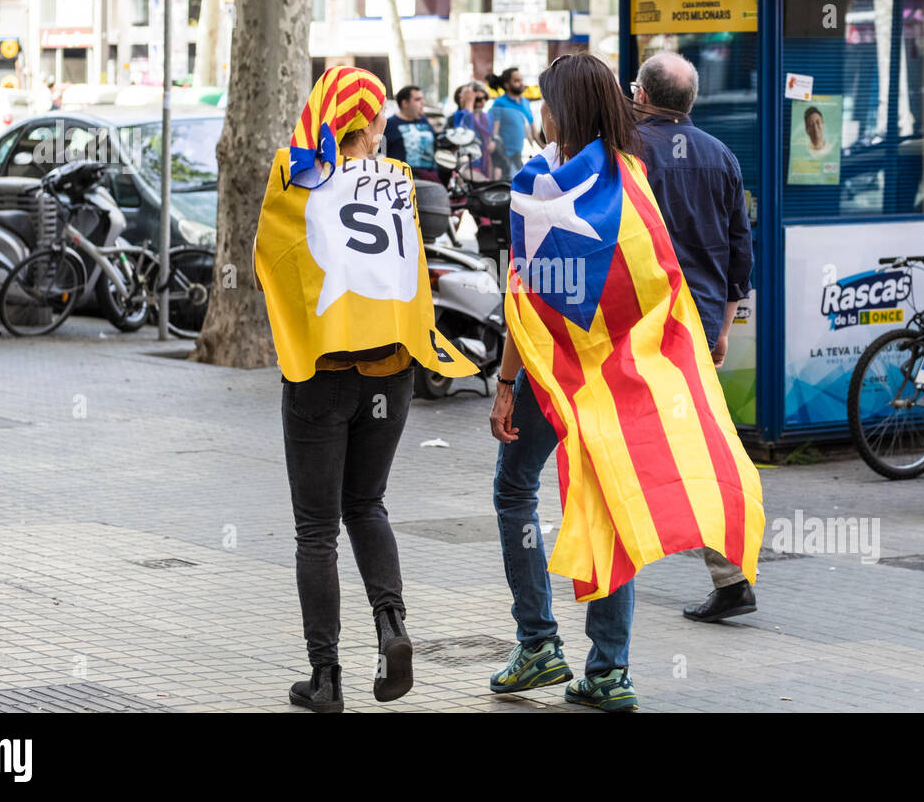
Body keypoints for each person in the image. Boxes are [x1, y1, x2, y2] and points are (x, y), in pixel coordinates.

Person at [488, 53, 765, 712]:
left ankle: (537, 644)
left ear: (562, 111)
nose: (540, 113)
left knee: (513, 489)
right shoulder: (632, 176)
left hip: (551, 372)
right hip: (625, 373)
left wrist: (505, 382)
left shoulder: (541, 186)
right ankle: (609, 668)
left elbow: (525, 295)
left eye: (546, 103)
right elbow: (659, 277)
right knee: (613, 496)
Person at [253, 65, 476, 713]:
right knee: (367, 506)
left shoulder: (292, 174)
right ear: (374, 124)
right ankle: (392, 625)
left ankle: (325, 679)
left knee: (316, 529)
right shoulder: (402, 181)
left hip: (322, 374)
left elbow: (272, 257)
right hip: (392, 372)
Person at [631, 52, 759, 622]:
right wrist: (724, 327)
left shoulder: (627, 154)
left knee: (639, 438)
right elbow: (739, 256)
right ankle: (728, 573)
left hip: (642, 322)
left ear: (641, 96)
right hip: (701, 323)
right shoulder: (721, 156)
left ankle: (614, 565)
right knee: (697, 442)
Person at [486, 67, 535, 177]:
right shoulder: (499, 103)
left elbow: (533, 132)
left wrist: (544, 147)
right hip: (507, 156)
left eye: (521, 80)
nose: (521, 83)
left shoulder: (526, 102)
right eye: (517, 81)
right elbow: (494, 132)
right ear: (507, 84)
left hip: (526, 154)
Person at [384, 84, 438, 182]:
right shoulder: (389, 124)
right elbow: (380, 153)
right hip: (404, 180)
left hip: (430, 177)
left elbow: (437, 143)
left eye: (422, 99)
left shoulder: (424, 120)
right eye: (417, 99)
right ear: (405, 103)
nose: (422, 103)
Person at [447, 82, 492, 175]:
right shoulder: (455, 117)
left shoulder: (485, 118)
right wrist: (468, 105)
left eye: (485, 98)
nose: (483, 102)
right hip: (465, 167)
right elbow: (464, 135)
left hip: (487, 166)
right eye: (478, 99)